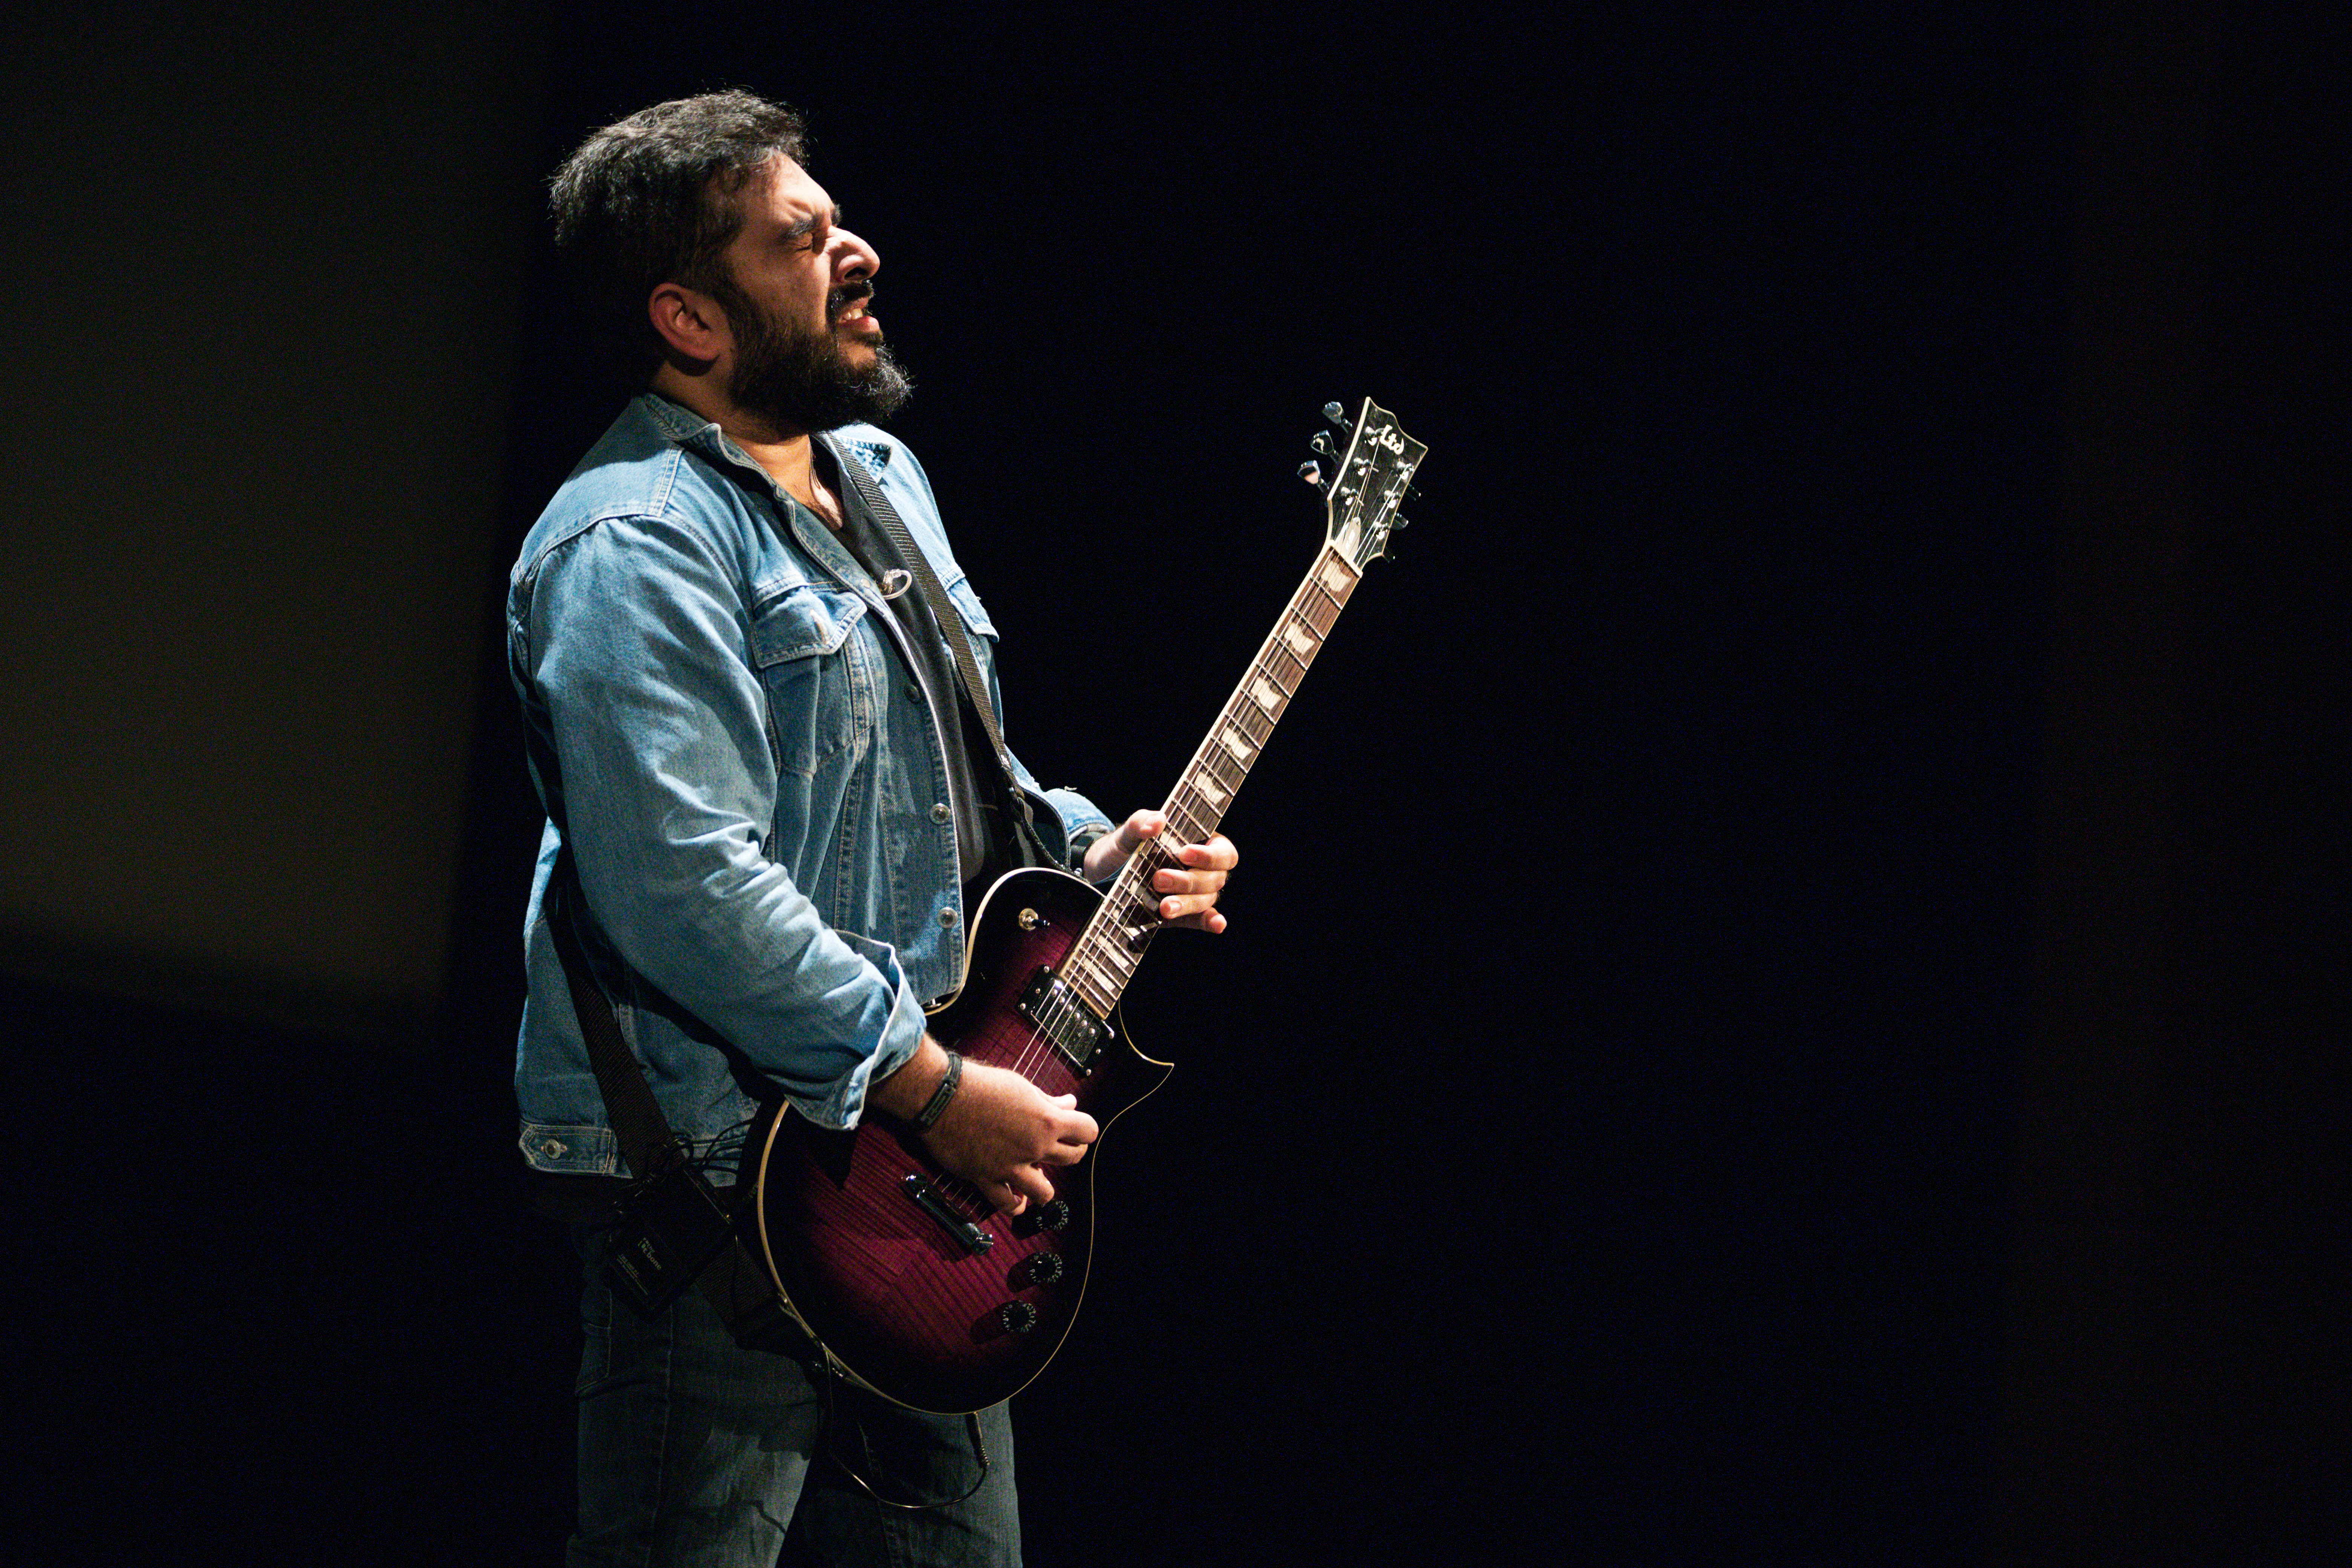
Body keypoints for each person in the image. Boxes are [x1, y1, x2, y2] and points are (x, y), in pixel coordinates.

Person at [506, 91, 1238, 1566]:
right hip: (725, 1189)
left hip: (915, 1203)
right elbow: (688, 886)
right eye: (804, 238)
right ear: (689, 317)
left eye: (837, 219)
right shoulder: (630, 539)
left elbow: (954, 776)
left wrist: (1100, 853)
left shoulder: (881, 478)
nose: (860, 252)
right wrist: (923, 1083)